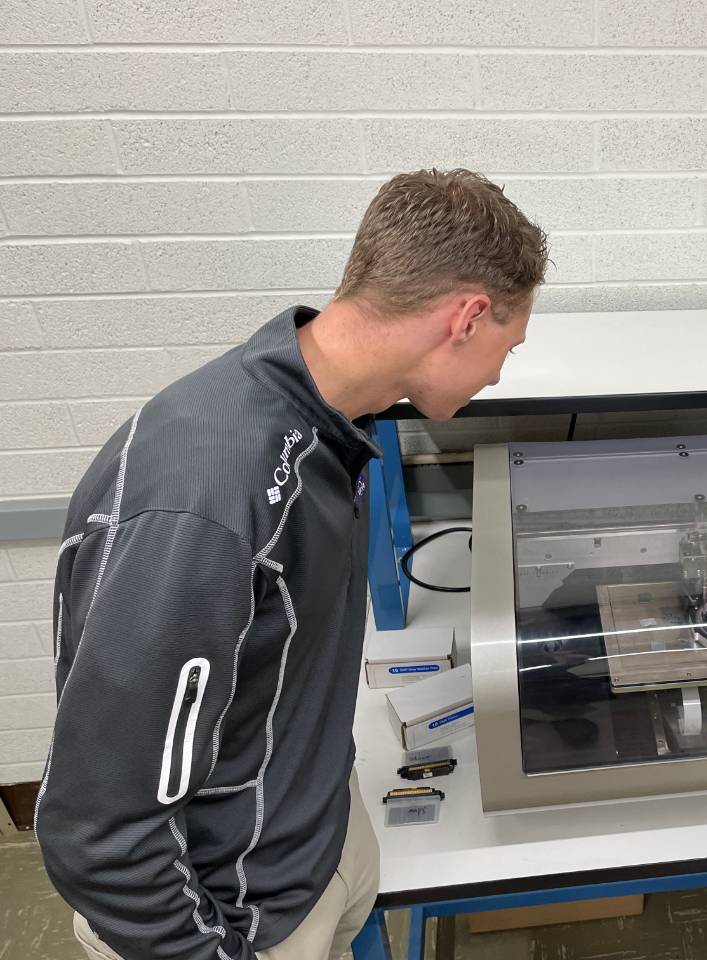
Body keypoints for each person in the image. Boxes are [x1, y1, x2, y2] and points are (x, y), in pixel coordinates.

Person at [36, 169, 547, 960]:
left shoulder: (332, 421)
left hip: (313, 834)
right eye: (506, 349)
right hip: (236, 912)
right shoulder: (201, 505)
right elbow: (99, 830)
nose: (499, 375)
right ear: (467, 317)